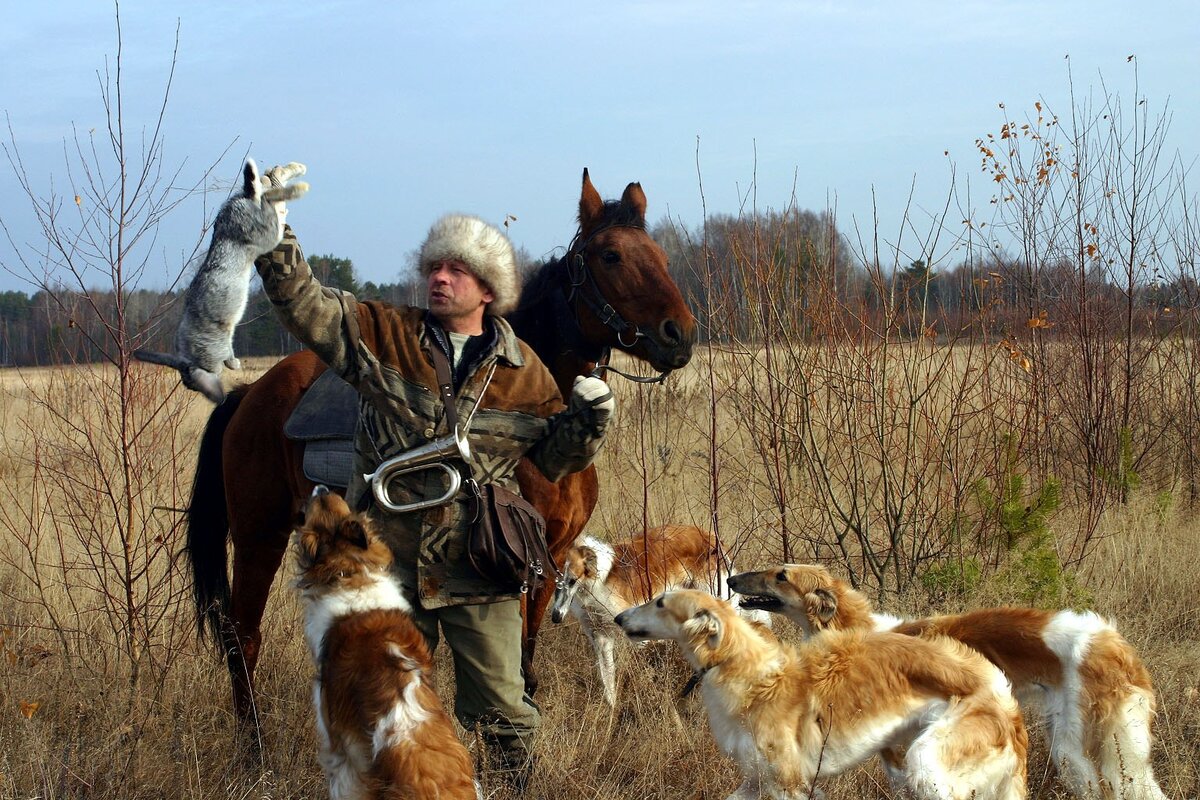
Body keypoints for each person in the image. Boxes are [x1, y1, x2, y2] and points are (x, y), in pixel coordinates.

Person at [254, 213, 614, 781]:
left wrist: (590, 423)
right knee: (381, 707)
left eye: (457, 270)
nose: (440, 278)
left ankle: (510, 790)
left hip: (478, 562)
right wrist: (275, 237)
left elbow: (551, 462)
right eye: (435, 268)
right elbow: (307, 308)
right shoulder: (384, 335)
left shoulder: (526, 375)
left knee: (506, 714)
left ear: (489, 289)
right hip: (388, 565)